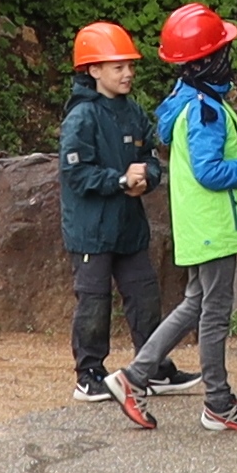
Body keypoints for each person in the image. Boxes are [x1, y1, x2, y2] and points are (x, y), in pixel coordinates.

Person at [119, 2, 237, 433]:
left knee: (195, 304)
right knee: (213, 312)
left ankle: (133, 378)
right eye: (223, 49)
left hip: (202, 229)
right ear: (207, 61)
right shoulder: (205, 110)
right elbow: (209, 171)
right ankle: (219, 402)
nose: (230, 56)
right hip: (214, 230)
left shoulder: (188, 101)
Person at [56, 22, 163, 423]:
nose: (127, 73)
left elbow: (152, 157)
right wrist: (120, 180)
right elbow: (75, 174)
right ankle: (89, 375)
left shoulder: (133, 110)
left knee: (145, 294)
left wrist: (146, 178)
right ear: (93, 71)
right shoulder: (81, 117)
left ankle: (153, 365)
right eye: (117, 66)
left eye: (129, 66)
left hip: (127, 226)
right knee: (94, 301)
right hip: (91, 229)